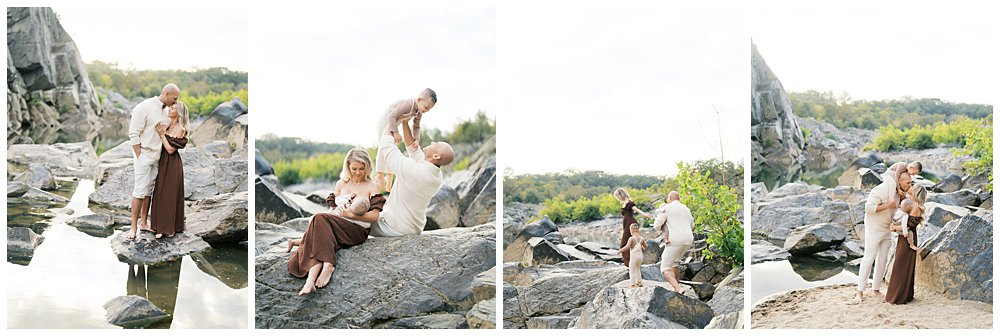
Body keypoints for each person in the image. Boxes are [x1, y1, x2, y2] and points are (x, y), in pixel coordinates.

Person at [287, 148, 384, 295]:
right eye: (354, 169)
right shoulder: (341, 184)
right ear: (348, 167)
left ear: (367, 167)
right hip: (336, 225)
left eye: (361, 169)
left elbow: (374, 217)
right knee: (319, 228)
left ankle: (328, 264)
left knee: (319, 219)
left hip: (356, 230)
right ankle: (310, 282)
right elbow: (333, 210)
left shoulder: (372, 185)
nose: (358, 172)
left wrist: (351, 215)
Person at [369, 113, 453, 237]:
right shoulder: (435, 174)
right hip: (412, 227)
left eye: (436, 144)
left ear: (436, 156)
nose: (433, 142)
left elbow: (387, 147)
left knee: (355, 214)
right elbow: (413, 150)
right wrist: (404, 123)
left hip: (393, 228)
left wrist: (393, 121)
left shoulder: (415, 173)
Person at [126, 84, 179, 239]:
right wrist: (139, 155)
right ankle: (133, 227)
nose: (175, 102)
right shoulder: (144, 107)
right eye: (174, 98)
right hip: (143, 156)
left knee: (149, 191)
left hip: (158, 157)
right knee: (139, 191)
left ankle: (144, 223)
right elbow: (133, 133)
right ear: (166, 93)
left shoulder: (167, 111)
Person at [854, 163, 909, 303]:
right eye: (908, 183)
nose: (910, 185)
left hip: (887, 228)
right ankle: (859, 292)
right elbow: (869, 208)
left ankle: (876, 289)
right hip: (874, 228)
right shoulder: (881, 189)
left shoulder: (899, 193)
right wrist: (888, 206)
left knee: (883, 259)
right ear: (900, 181)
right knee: (869, 258)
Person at [374, 88, 437, 193]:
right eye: (426, 107)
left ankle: (389, 176)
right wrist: (396, 132)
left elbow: (416, 126)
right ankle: (379, 174)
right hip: (386, 121)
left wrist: (416, 139)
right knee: (384, 147)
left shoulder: (419, 112)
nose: (426, 111)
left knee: (392, 148)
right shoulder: (408, 104)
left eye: (429, 109)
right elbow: (392, 116)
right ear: (419, 100)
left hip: (394, 123)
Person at [149, 102, 190, 238]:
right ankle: (157, 226)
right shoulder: (167, 125)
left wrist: (162, 135)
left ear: (179, 113)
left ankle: (166, 229)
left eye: (173, 108)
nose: (170, 109)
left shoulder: (180, 129)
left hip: (172, 164)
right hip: (162, 161)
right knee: (159, 192)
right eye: (170, 107)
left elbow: (171, 150)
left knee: (169, 195)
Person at [885, 183, 926, 304]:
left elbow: (908, 226)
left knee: (901, 266)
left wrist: (894, 228)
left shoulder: (916, 207)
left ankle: (897, 297)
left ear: (916, 192)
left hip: (908, 238)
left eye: (913, 187)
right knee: (902, 265)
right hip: (903, 237)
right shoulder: (910, 204)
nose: (911, 186)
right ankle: (904, 295)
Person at [653, 191, 695, 294]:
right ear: (679, 198)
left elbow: (657, 225)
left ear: (669, 198)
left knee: (665, 267)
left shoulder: (666, 208)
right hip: (688, 239)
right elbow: (692, 225)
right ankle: (677, 286)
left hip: (675, 240)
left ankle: (678, 288)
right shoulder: (686, 209)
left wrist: (663, 229)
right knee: (675, 262)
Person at [612, 188, 653, 268]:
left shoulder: (628, 202)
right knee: (631, 243)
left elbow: (636, 209)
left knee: (624, 244)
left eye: (617, 196)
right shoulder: (625, 202)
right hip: (627, 224)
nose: (618, 198)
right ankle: (632, 263)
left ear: (621, 195)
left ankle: (630, 264)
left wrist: (645, 214)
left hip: (630, 224)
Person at [618, 223, 647, 288]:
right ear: (638, 230)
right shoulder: (642, 238)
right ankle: (639, 282)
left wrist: (620, 250)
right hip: (640, 257)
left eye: (630, 230)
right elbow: (646, 246)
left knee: (632, 269)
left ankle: (632, 284)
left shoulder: (632, 238)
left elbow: (627, 247)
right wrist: (642, 246)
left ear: (632, 230)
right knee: (638, 269)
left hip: (634, 257)